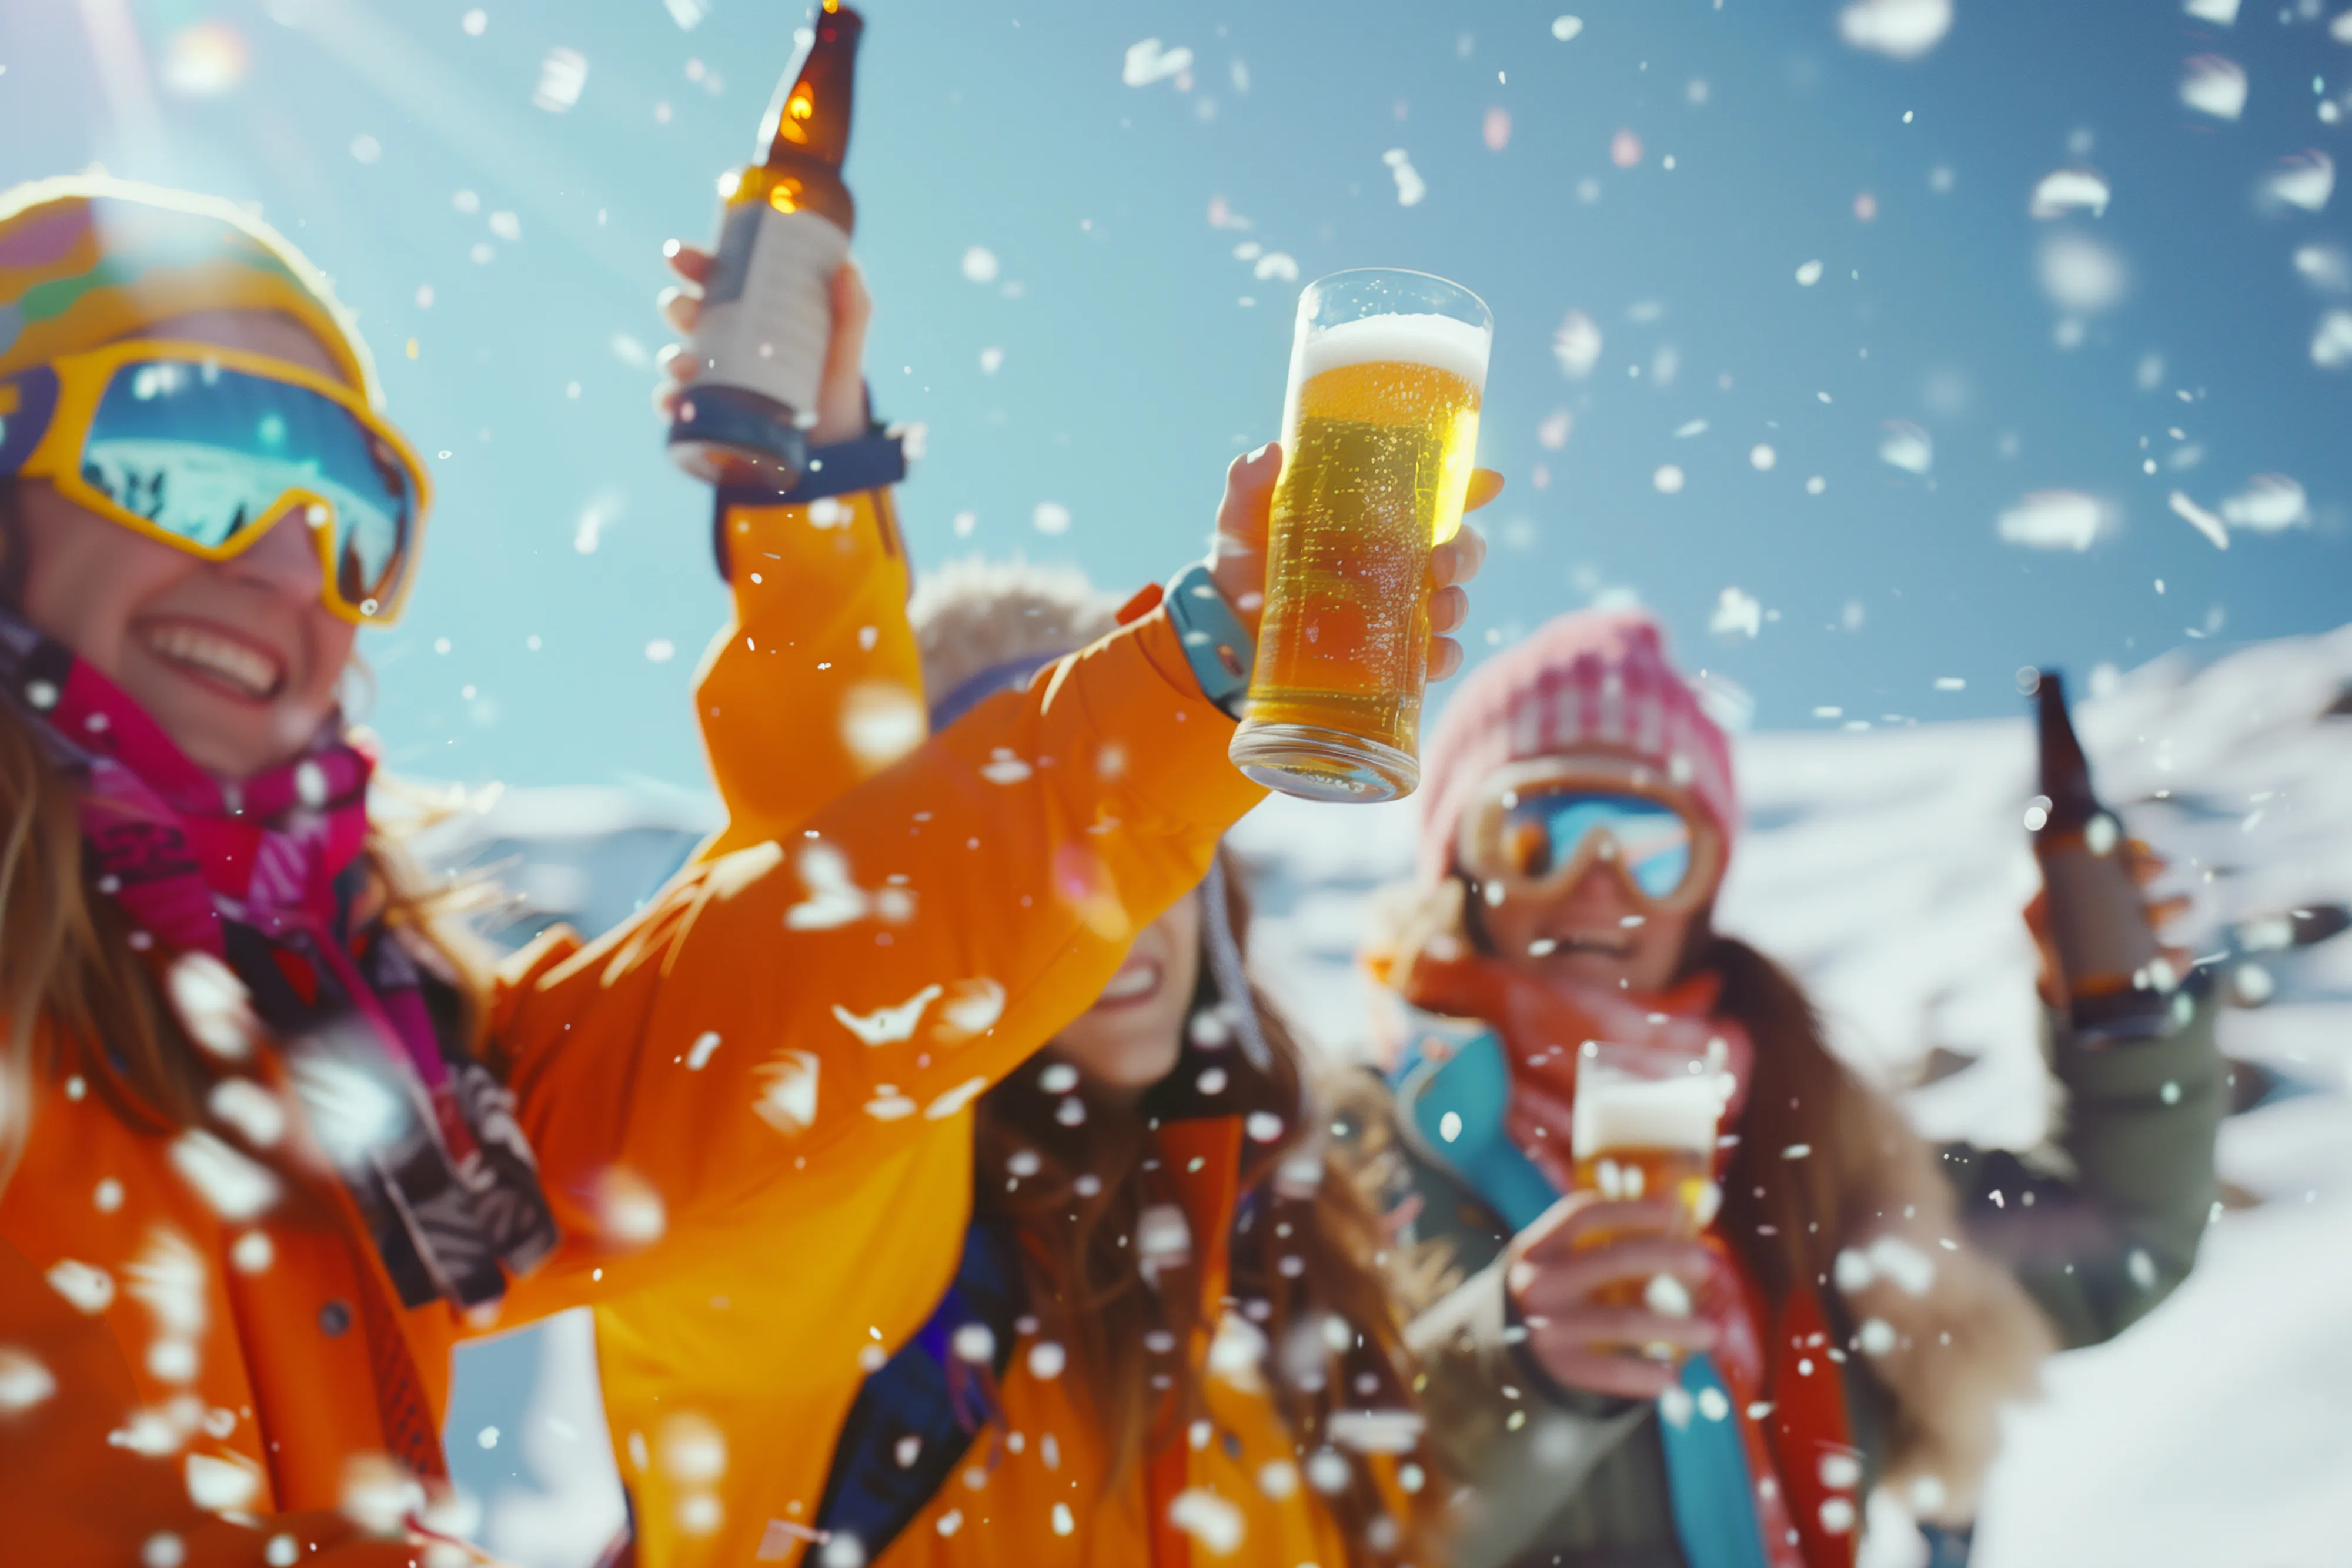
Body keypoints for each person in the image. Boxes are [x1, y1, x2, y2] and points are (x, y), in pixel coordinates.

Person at [0, 175, 1465, 1563]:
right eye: (186, 460)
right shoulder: (885, 1275)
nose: (282, 556)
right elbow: (840, 949)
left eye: (347, 511)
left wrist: (1192, 687)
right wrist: (814, 522)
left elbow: (803, 965)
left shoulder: (386, 1076)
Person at [1351, 609, 2225, 1568]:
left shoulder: (1827, 1144)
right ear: (1459, 864)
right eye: (1537, 834)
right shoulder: (1346, 1151)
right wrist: (1505, 1371)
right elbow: (1261, 1506)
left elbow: (2122, 1240)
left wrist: (2122, 1030)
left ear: (1708, 877)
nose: (1597, 884)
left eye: (1652, 843)